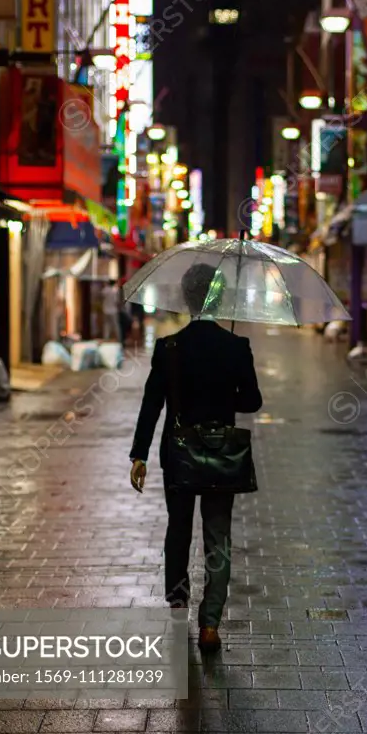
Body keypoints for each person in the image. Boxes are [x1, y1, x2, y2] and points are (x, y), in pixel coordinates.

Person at [129, 263, 263, 652]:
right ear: (219, 298)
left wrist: (139, 454)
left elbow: (152, 405)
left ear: (187, 299)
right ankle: (209, 625)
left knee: (178, 529)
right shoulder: (236, 346)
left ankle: (177, 602)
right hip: (223, 456)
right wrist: (225, 396)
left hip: (179, 453)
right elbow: (253, 400)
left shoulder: (169, 348)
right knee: (218, 539)